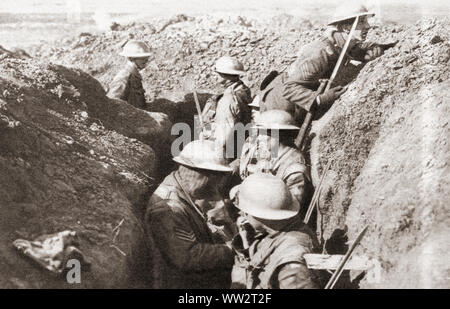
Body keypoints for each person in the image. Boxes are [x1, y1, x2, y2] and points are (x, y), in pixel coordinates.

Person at [260, 4, 386, 124]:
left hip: (296, 102)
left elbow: (356, 49)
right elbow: (289, 89)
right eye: (362, 21)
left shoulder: (342, 42)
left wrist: (374, 48)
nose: (368, 26)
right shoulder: (320, 53)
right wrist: (320, 99)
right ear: (347, 27)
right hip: (278, 106)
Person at [145, 140, 235, 289]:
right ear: (192, 171)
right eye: (214, 176)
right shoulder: (167, 209)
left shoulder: (189, 187)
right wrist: (232, 250)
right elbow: (187, 256)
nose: (218, 182)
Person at [230, 173, 320, 289]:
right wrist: (245, 241)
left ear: (261, 215)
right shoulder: (279, 231)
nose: (243, 216)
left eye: (246, 212)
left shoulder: (292, 258)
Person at [238, 110, 312, 212]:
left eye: (263, 134)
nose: (259, 139)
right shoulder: (273, 155)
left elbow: (292, 207)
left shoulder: (294, 170)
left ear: (277, 136)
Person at [200, 56, 252, 161]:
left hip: (227, 153)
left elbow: (222, 137)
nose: (215, 76)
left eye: (217, 73)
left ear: (225, 76)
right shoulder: (244, 90)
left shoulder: (227, 101)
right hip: (240, 144)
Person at [107, 40, 151, 109]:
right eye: (142, 58)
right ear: (131, 58)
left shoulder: (134, 76)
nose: (146, 60)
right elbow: (112, 104)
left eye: (147, 58)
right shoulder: (124, 77)